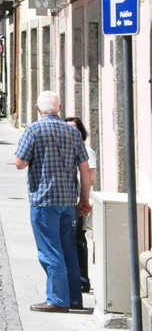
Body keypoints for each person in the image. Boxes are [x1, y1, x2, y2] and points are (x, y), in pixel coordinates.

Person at [15, 90, 91, 314]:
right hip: (68, 200)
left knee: (50, 251)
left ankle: (57, 299)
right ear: (59, 108)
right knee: (68, 249)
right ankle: (74, 298)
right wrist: (84, 199)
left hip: (44, 199)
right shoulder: (73, 132)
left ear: (38, 108)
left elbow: (19, 162)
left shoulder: (34, 129)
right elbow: (85, 170)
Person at [65, 116, 97, 293]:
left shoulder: (86, 150)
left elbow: (91, 178)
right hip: (71, 200)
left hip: (81, 201)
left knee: (78, 239)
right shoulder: (69, 150)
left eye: (74, 129)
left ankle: (83, 280)